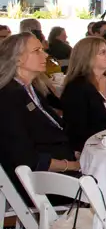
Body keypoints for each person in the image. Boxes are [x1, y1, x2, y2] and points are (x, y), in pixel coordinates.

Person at [0, 33, 79, 198]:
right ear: (17, 59)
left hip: (54, 172)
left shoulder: (32, 89)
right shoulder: (8, 96)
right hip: (38, 182)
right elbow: (25, 157)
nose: (45, 55)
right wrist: (71, 165)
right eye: (37, 51)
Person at [60, 36, 106, 152]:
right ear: (87, 58)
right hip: (92, 148)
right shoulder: (77, 87)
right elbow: (76, 128)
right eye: (102, 52)